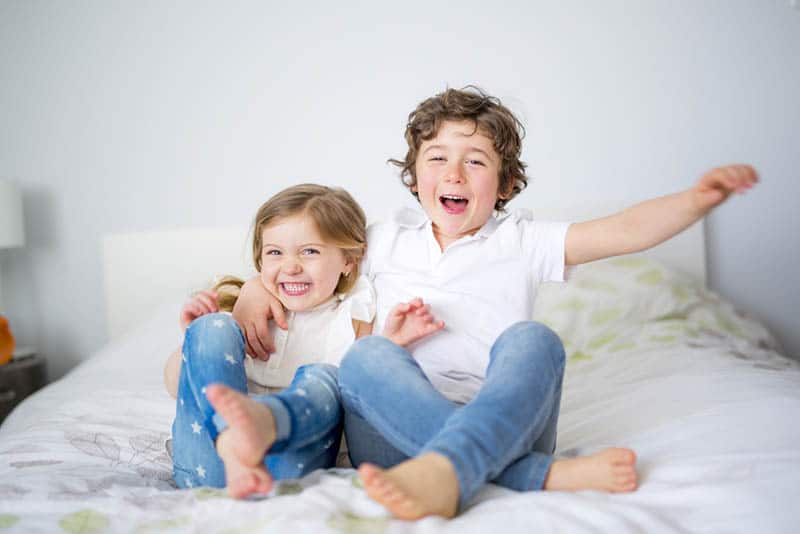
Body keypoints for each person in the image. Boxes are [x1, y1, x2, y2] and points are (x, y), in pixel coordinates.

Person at [232, 87, 759, 519]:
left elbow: (623, 230)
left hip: (507, 423)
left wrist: (695, 200)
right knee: (366, 358)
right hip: (390, 434)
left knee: (534, 340)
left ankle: (447, 469)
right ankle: (537, 477)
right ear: (415, 178)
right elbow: (312, 259)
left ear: (506, 184)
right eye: (437, 158)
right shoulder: (383, 238)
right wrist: (256, 288)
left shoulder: (524, 241)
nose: (454, 173)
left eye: (475, 161)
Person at [163, 183, 444, 498]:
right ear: (260, 261)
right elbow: (176, 386)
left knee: (327, 377)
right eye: (275, 253)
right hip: (208, 462)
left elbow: (366, 386)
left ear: (349, 259)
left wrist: (393, 343)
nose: (291, 266)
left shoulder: (357, 314)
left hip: (290, 465)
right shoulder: (244, 311)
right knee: (213, 327)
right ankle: (233, 440)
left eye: (310, 251)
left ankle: (260, 427)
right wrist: (194, 343)